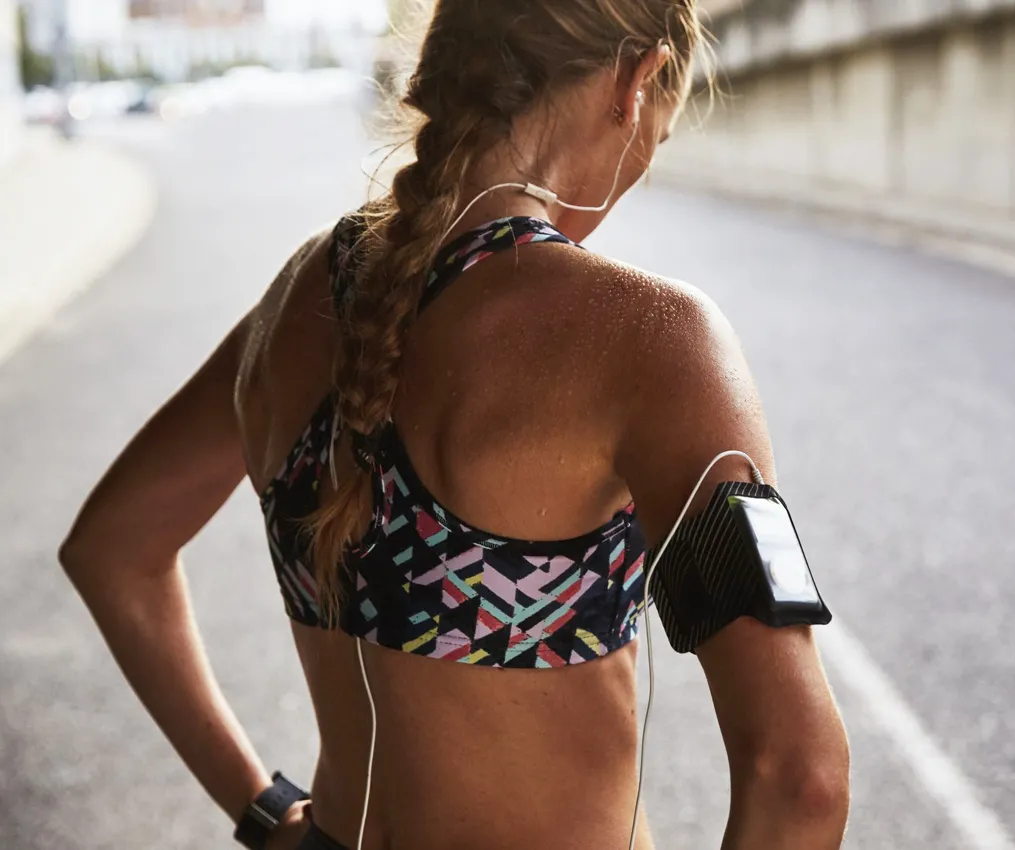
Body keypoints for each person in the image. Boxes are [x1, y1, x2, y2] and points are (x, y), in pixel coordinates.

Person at [58, 2, 851, 849]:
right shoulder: (651, 339)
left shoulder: (297, 300)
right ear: (636, 81)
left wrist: (265, 815)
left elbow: (112, 552)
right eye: (651, 144)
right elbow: (800, 779)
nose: (628, 185)